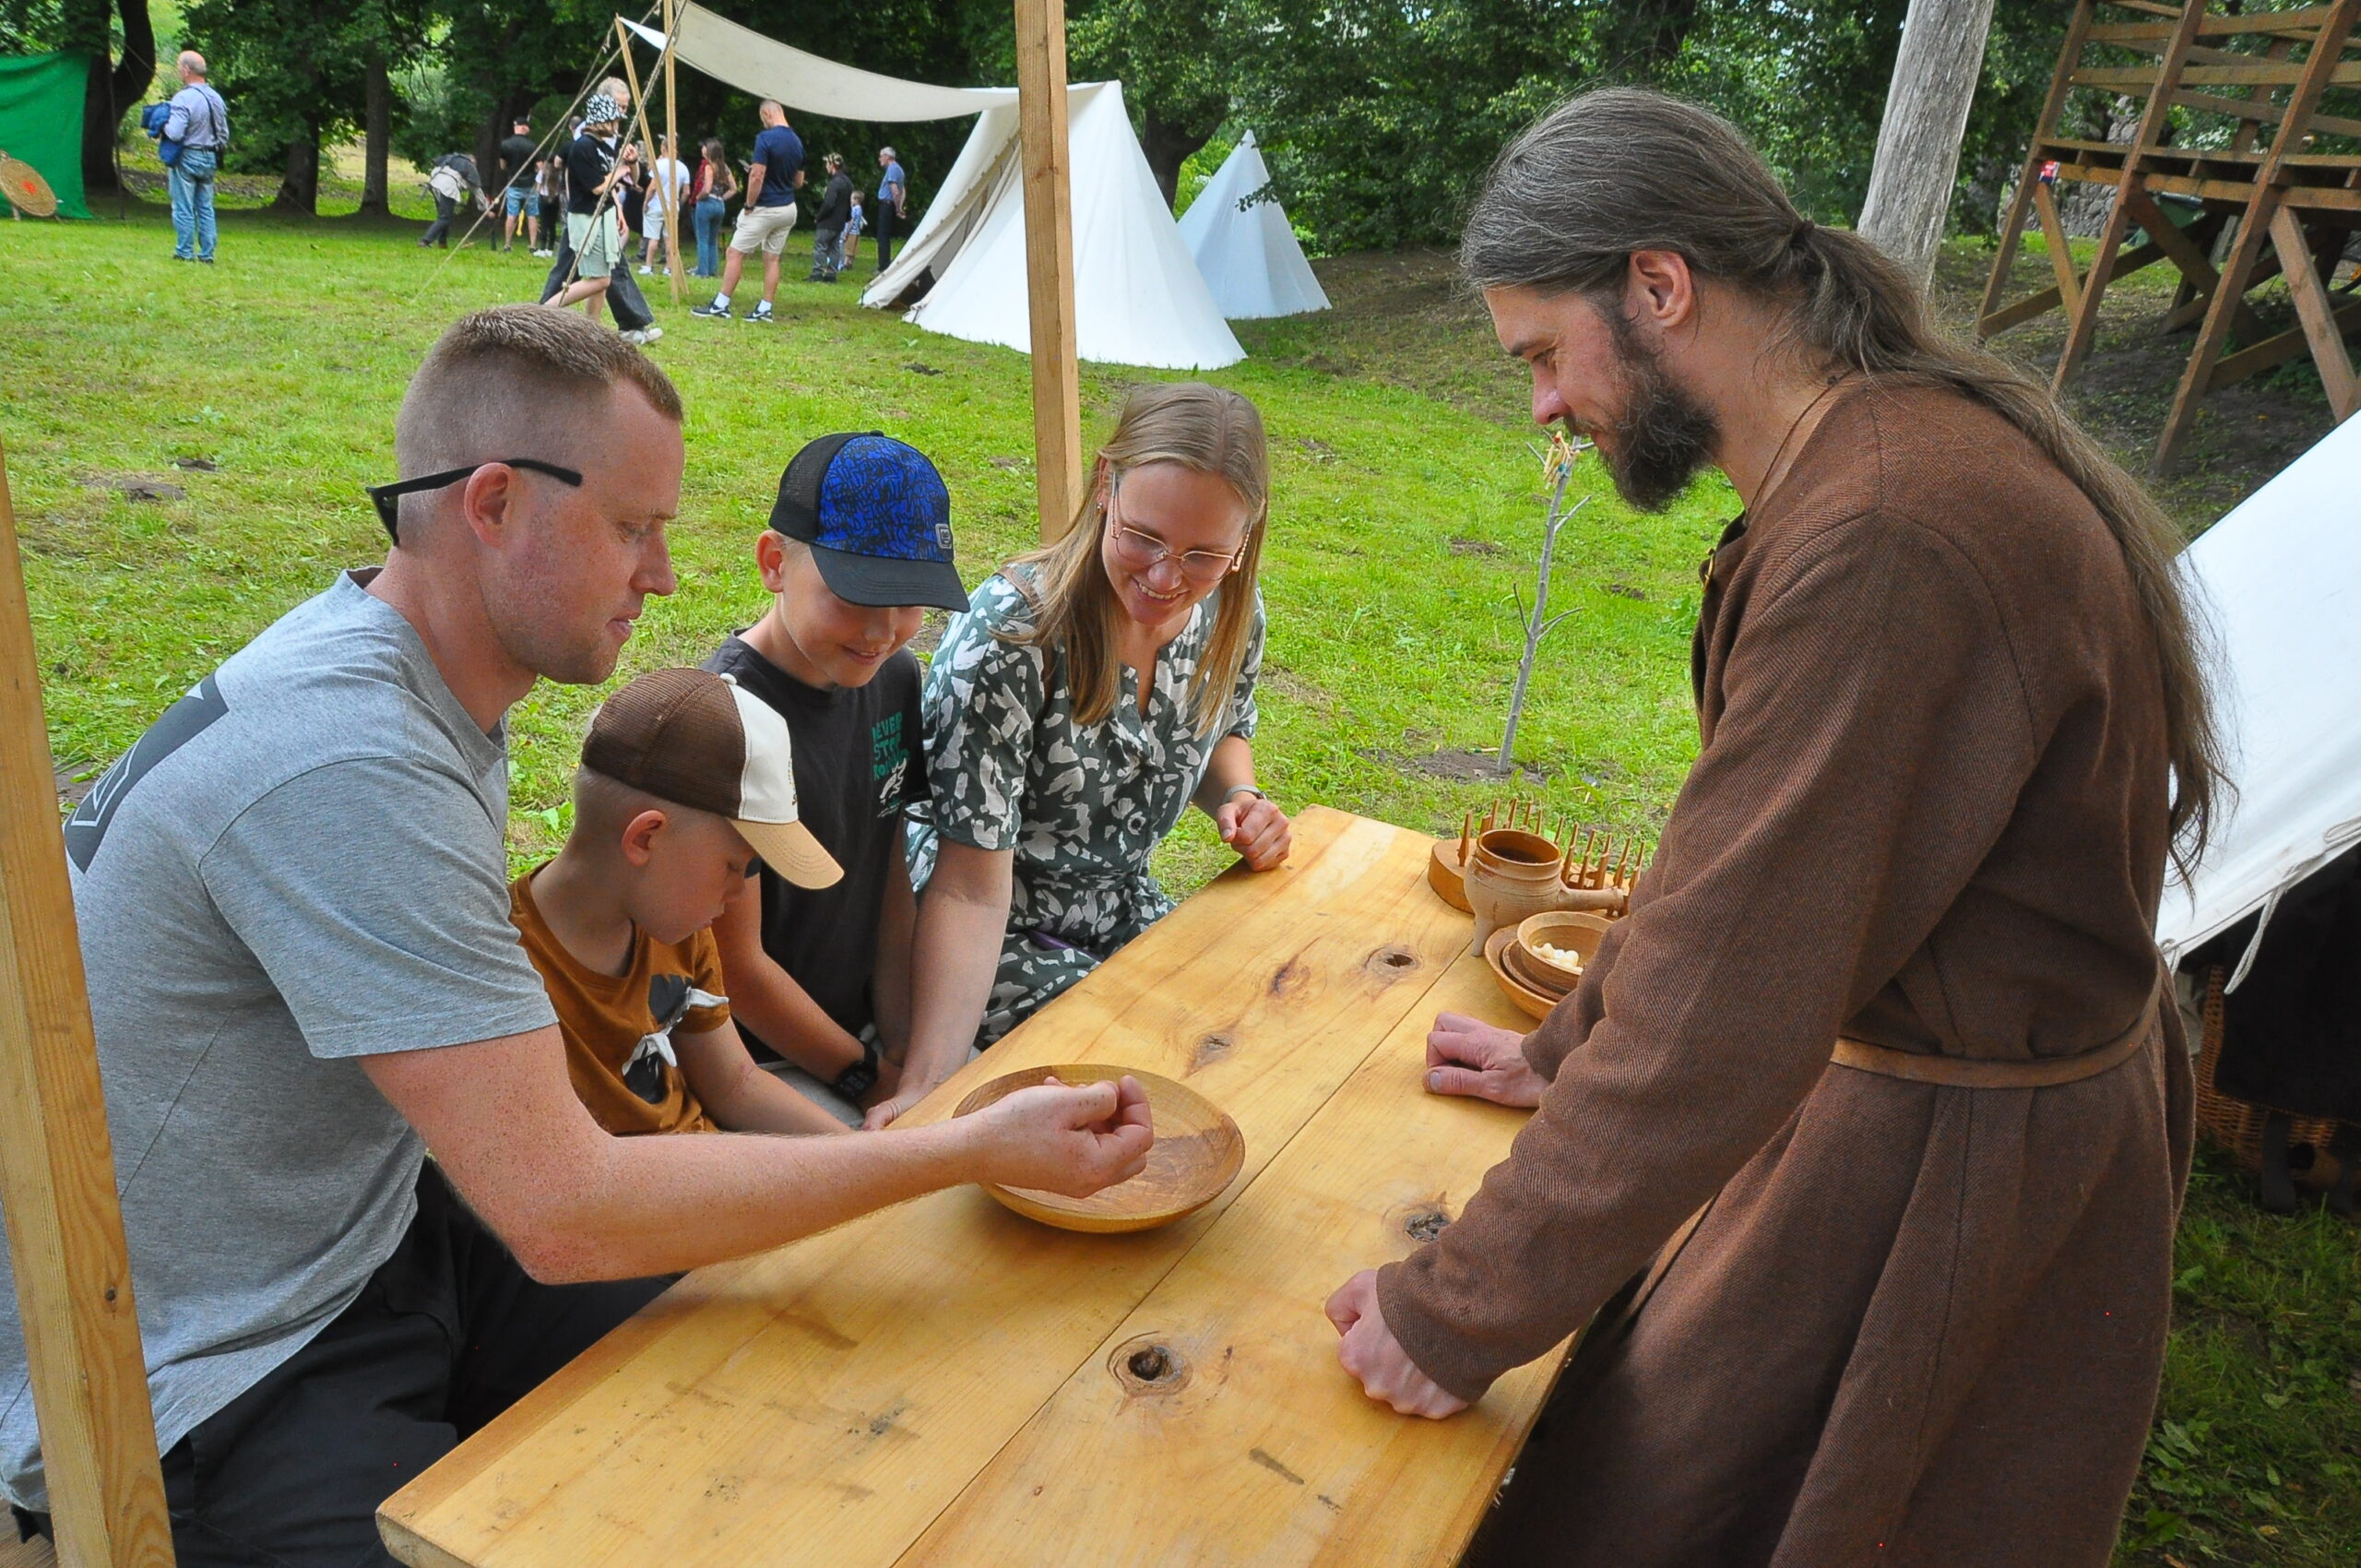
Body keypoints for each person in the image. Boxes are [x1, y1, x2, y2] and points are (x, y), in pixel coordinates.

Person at [0, 306, 1154, 1566]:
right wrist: (954, 1151)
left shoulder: (410, 678)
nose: (662, 575)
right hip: (204, 1357)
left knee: (771, 1352)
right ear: (494, 503)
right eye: (632, 528)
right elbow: (564, 1209)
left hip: (363, 1232)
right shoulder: (351, 761)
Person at [1323, 89, 2218, 1568]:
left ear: (1658, 286)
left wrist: (1456, 1308)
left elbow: (1730, 991)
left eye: (1542, 353)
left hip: (1947, 1173)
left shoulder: (1886, 534)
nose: (1542, 405)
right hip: (1918, 1108)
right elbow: (1747, 864)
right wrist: (1563, 1048)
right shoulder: (1873, 457)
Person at [878, 384, 1293, 1129]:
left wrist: (1239, 796)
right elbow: (968, 891)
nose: (1166, 578)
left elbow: (1224, 727)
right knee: (1154, 1070)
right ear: (1106, 484)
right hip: (987, 934)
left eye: (1203, 554)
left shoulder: (1233, 610)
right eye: (1143, 538)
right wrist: (925, 1085)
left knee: (1257, 1023)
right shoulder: (1013, 637)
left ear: (1246, 534)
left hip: (1117, 910)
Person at [705, 434, 972, 1124]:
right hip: (757, 1061)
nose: (882, 633)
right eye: (855, 598)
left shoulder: (896, 678)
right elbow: (738, 967)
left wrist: (908, 1054)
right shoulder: (726, 719)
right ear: (775, 563)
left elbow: (888, 876)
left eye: (908, 602)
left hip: (863, 1036)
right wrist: (868, 1079)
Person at [515, 666, 849, 1138]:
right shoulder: (504, 969)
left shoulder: (676, 926)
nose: (738, 893)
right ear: (646, 838)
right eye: (734, 866)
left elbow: (736, 1084)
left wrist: (869, 1157)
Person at [691, 100, 803, 323]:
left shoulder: (766, 138)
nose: (764, 123)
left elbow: (757, 175)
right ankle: (765, 308)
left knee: (734, 253)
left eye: (763, 119)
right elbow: (798, 181)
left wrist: (750, 204)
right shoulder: (797, 142)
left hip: (765, 207)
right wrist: (778, 180)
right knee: (772, 258)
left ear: (768, 113)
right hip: (788, 208)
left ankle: (721, 305)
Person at [546, 95, 635, 323]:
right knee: (600, 280)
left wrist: (631, 163)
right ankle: (544, 312)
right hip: (587, 218)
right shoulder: (583, 147)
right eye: (614, 120)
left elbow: (633, 181)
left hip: (604, 216)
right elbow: (597, 187)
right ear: (602, 121)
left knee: (601, 279)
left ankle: (592, 328)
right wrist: (619, 171)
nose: (617, 125)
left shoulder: (604, 147)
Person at [162, 50, 228, 264]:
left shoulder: (183, 98)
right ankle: (207, 253)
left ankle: (184, 251)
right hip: (210, 157)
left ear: (186, 70)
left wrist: (161, 124)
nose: (178, 71)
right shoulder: (216, 98)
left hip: (187, 156)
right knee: (205, 207)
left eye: (179, 67)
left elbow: (175, 133)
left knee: (183, 206)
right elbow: (224, 134)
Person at [639, 135, 690, 275]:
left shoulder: (659, 165)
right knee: (669, 238)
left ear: (663, 148)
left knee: (653, 237)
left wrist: (646, 202)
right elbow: (686, 192)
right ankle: (669, 267)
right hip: (672, 206)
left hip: (656, 205)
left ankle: (649, 266)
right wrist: (678, 203)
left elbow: (653, 187)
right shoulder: (682, 167)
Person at [421, 151, 487, 249]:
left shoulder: (450, 159)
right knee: (444, 218)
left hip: (435, 183)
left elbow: (435, 170)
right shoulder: (470, 167)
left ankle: (442, 242)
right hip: (448, 187)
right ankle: (425, 241)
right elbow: (477, 191)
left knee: (444, 216)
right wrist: (485, 208)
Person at [691, 137, 735, 278]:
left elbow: (707, 188)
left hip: (706, 203)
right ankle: (712, 269)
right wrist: (722, 198)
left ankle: (702, 271)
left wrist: (698, 197)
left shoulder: (709, 166)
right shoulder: (724, 167)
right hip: (719, 205)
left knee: (702, 239)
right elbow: (734, 188)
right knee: (713, 239)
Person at [806, 152, 852, 282]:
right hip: (840, 222)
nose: (826, 166)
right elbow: (848, 203)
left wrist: (819, 217)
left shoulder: (834, 182)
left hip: (828, 222)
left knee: (821, 247)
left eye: (827, 163)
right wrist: (847, 217)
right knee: (835, 248)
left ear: (832, 165)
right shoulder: (848, 182)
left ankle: (817, 273)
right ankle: (831, 275)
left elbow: (829, 203)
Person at [498, 116, 540, 254]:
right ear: (524, 128)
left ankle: (507, 245)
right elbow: (540, 166)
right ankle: (532, 245)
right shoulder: (532, 146)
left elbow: (502, 165)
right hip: (530, 185)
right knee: (532, 215)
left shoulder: (505, 144)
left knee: (511, 215)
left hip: (513, 184)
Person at [873, 145, 907, 271]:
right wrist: (900, 206)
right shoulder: (898, 169)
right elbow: (903, 191)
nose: (879, 159)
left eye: (881, 156)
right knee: (884, 235)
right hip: (889, 205)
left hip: (887, 204)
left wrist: (898, 209)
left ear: (887, 157)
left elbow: (895, 191)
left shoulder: (892, 169)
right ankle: (884, 264)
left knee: (882, 236)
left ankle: (883, 266)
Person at [840, 184, 865, 270]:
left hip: (851, 232)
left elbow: (851, 221)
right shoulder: (859, 209)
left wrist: (846, 232)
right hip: (857, 232)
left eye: (851, 199)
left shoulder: (854, 209)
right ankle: (850, 263)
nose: (850, 201)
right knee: (854, 248)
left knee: (848, 249)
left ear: (856, 200)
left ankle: (845, 264)